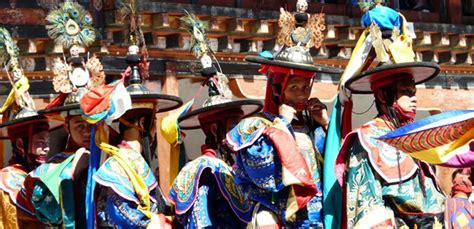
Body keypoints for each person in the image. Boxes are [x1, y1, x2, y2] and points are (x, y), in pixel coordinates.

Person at [225, 3, 340, 226]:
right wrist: (282, 123)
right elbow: (262, 171)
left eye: (306, 87)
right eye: (294, 88)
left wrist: (326, 125)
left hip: (315, 218)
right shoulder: (257, 126)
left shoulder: (311, 126)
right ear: (278, 89)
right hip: (281, 216)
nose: (302, 95)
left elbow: (332, 169)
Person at [166, 12, 263, 227]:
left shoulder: (234, 168)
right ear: (212, 129)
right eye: (233, 126)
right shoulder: (205, 171)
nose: (239, 134)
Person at [336, 62, 446, 228]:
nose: (414, 98)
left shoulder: (413, 136)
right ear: (383, 96)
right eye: (405, 92)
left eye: (414, 93)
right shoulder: (367, 139)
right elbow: (367, 207)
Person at [0, 27, 52, 229]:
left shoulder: (38, 172)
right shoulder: (8, 178)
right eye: (40, 143)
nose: (46, 148)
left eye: (46, 143)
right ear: (20, 144)